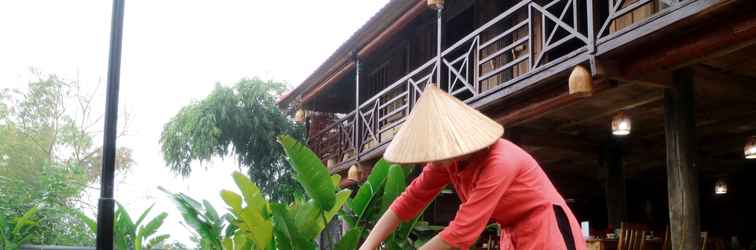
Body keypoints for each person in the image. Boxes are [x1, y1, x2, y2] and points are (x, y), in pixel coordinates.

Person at [359, 84, 586, 250]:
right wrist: (367, 246)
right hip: (512, 232)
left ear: (453, 140)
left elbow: (462, 231)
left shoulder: (500, 161)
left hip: (546, 226)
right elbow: (410, 200)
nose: (431, 159)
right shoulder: (446, 161)